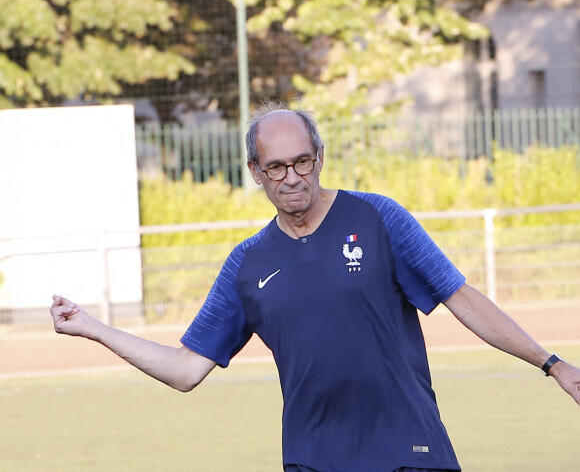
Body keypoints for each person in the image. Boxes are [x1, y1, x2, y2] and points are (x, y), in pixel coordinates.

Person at [51, 102, 580, 472]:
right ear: (256, 172)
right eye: (276, 166)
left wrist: (551, 363)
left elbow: (462, 298)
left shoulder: (378, 218)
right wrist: (95, 329)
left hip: (409, 452)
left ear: (319, 157)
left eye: (302, 161)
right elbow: (186, 369)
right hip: (313, 460)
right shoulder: (248, 263)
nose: (293, 176)